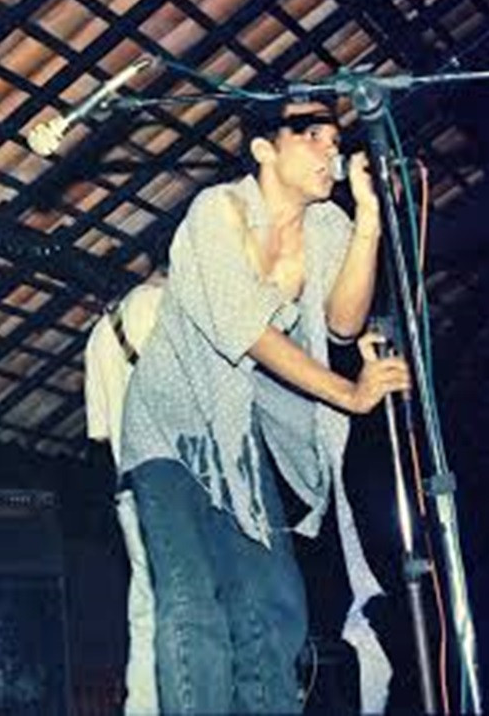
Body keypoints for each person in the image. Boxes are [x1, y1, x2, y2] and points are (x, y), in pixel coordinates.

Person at [120, 94, 411, 714]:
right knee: (193, 604)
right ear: (263, 149)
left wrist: (368, 220)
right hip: (169, 424)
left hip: (237, 432)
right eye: (310, 134)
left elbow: (342, 323)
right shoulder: (218, 210)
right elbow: (246, 328)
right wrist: (349, 393)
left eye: (334, 138)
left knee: (274, 605)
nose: (330, 147)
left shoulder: (325, 226)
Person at [84, 278, 165, 716]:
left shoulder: (99, 333)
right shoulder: (165, 303)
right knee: (198, 604)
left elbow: (99, 431)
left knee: (146, 610)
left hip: (129, 489)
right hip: (176, 482)